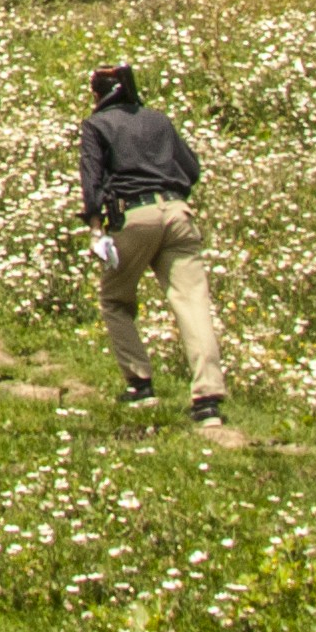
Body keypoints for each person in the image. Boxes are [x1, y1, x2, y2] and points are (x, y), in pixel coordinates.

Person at [76, 59, 224, 423]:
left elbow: (91, 181)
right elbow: (191, 168)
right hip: (177, 213)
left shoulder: (97, 125)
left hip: (133, 217)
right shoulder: (159, 119)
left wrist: (97, 229)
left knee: (115, 299)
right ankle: (208, 400)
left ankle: (139, 384)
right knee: (192, 303)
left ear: (98, 94)